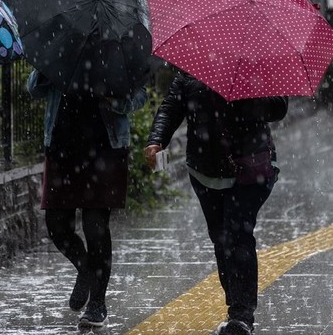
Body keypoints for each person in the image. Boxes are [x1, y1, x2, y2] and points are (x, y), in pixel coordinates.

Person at [144, 71, 288, 335]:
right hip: (205, 170)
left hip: (250, 167)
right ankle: (235, 305)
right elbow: (172, 106)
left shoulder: (255, 62)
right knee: (221, 239)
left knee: (238, 234)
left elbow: (279, 107)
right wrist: (157, 139)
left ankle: (242, 315)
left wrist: (247, 97)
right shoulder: (191, 67)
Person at [27, 69, 147, 329]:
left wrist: (113, 100)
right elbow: (34, 89)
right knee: (57, 227)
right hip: (61, 147)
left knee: (96, 228)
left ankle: (97, 303)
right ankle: (85, 269)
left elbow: (140, 95)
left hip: (105, 149)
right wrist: (48, 70)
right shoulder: (63, 42)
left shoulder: (119, 46)